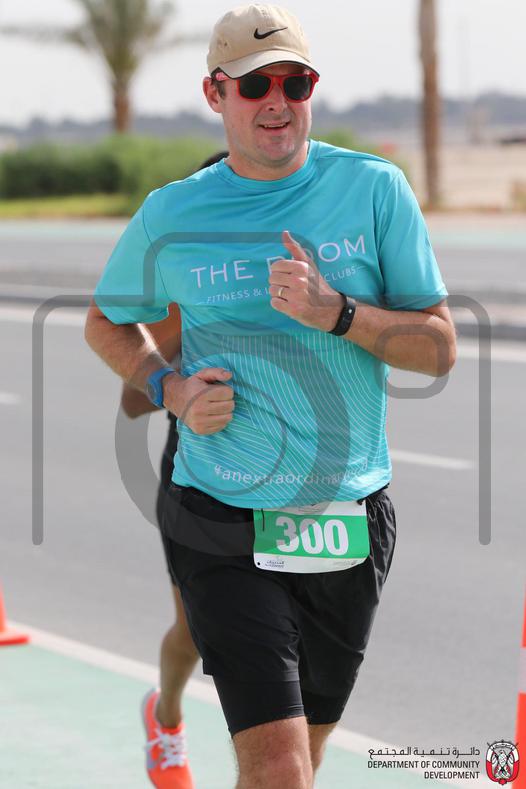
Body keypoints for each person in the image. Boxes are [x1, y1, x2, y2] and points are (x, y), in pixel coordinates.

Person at [85, 4, 456, 788]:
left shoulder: (374, 189)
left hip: (346, 517)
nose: (277, 101)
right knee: (280, 765)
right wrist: (170, 388)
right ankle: (169, 712)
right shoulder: (174, 212)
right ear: (215, 93)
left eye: (296, 82)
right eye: (256, 85)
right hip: (219, 510)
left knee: (303, 761)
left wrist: (339, 312)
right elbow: (105, 321)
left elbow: (438, 348)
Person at [120, 152, 228, 789]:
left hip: (296, 476)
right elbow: (134, 402)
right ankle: (165, 718)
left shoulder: (307, 277)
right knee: (194, 629)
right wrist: (180, 376)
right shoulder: (189, 291)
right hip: (197, 474)